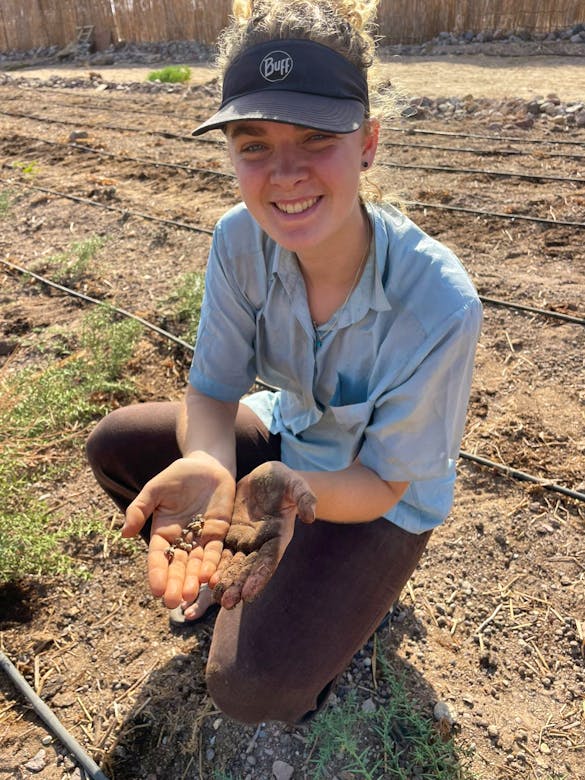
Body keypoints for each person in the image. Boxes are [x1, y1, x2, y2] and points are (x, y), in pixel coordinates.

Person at [86, 0, 482, 725]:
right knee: (117, 441)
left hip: (375, 499)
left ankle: (356, 603)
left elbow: (384, 481)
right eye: (253, 143)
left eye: (315, 137)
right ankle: (241, 569)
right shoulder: (241, 240)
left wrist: (290, 494)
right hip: (286, 441)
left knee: (251, 690)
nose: (285, 172)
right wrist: (210, 467)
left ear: (366, 142)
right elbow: (210, 392)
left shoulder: (436, 300)